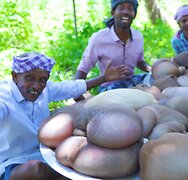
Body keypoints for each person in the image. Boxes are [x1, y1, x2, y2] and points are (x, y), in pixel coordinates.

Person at [0, 52, 129, 180]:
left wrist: (103, 78)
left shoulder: (45, 90)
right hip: (12, 163)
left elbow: (70, 88)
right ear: (15, 76)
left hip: (46, 156)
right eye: (29, 78)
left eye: (42, 80)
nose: (36, 86)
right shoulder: (4, 97)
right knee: (36, 170)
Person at [74, 0, 151, 101]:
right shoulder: (99, 39)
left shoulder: (138, 37)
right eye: (121, 8)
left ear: (134, 14)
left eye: (130, 9)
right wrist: (77, 92)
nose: (126, 12)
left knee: (158, 79)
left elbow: (139, 61)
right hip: (111, 88)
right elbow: (83, 68)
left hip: (132, 81)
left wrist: (153, 70)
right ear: (113, 12)